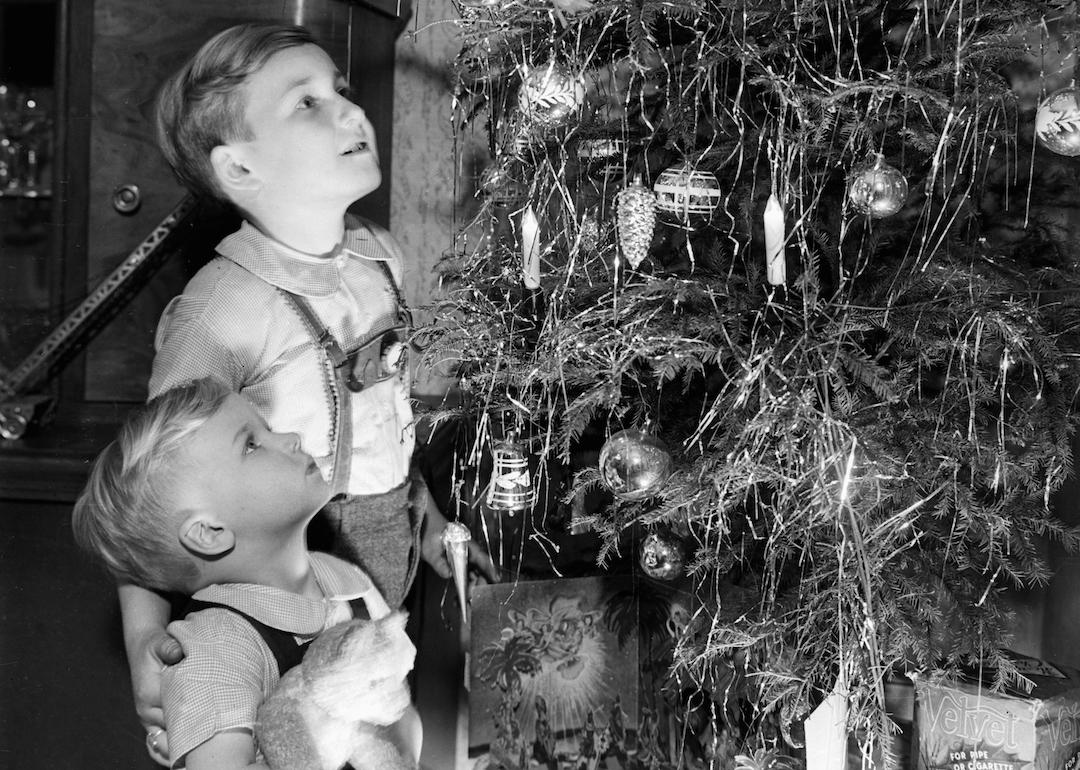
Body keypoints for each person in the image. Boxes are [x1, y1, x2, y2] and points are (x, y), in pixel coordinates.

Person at [119, 22, 494, 764]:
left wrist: (426, 514)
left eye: (342, 92)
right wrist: (141, 638)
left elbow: (384, 403)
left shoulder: (377, 255)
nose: (349, 113)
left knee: (378, 727)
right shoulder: (223, 308)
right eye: (307, 103)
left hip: (379, 561)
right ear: (241, 170)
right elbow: (153, 486)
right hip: (281, 577)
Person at [72, 378, 421, 770]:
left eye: (268, 430)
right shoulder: (216, 650)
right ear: (210, 532)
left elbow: (400, 719)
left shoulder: (349, 581)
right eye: (251, 444)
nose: (291, 437)